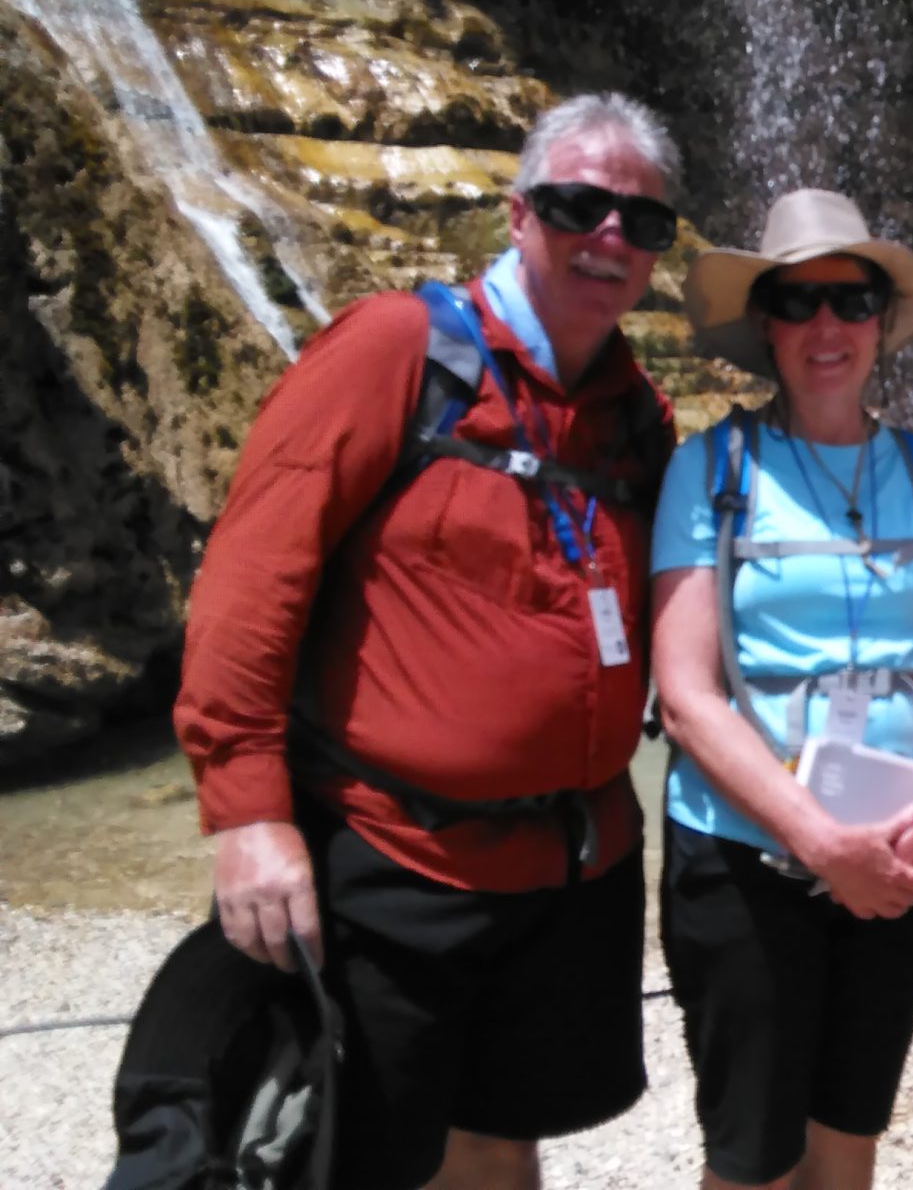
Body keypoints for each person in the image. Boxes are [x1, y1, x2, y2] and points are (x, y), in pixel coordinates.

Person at [165, 92, 682, 1190]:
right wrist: (250, 813)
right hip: (391, 858)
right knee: (361, 1153)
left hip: (569, 866)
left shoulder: (638, 414)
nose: (609, 237)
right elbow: (252, 581)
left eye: (642, 222)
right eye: (579, 203)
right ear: (517, 213)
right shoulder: (397, 348)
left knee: (501, 1135)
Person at [649, 188, 913, 1190]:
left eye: (849, 301)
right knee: (754, 1159)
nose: (825, 326)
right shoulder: (709, 471)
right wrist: (817, 839)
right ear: (766, 324)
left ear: (882, 323)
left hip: (898, 853)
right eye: (797, 303)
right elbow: (685, 696)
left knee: (848, 1137)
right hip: (743, 853)